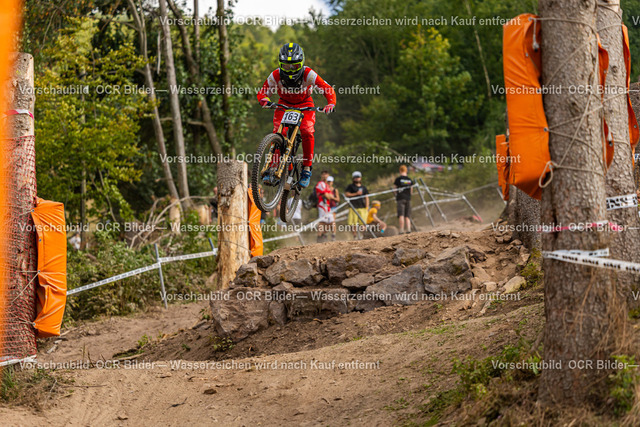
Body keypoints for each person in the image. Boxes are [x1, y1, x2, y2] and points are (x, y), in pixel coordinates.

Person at [257, 43, 336, 188]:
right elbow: (263, 92)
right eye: (286, 66)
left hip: (305, 104)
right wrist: (265, 100)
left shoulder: (309, 74)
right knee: (279, 133)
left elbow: (327, 89)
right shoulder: (275, 75)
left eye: (294, 66)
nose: (290, 70)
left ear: (301, 63)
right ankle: (273, 165)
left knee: (307, 131)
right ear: (280, 64)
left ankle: (307, 168)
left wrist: (330, 103)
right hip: (284, 104)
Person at [345, 171, 369, 239]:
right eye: (355, 177)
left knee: (363, 223)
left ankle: (363, 236)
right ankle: (355, 236)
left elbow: (366, 197)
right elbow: (346, 194)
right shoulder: (350, 186)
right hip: (353, 207)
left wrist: (367, 207)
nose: (357, 178)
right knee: (353, 223)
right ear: (353, 178)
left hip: (362, 207)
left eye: (358, 177)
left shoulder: (364, 187)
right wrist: (356, 194)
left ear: (360, 178)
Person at [315, 171, 337, 242]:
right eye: (323, 174)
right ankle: (319, 237)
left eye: (326, 175)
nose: (325, 176)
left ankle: (331, 236)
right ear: (321, 176)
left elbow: (330, 196)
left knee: (332, 221)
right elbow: (327, 195)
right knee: (322, 222)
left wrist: (329, 196)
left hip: (327, 205)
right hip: (322, 204)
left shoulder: (326, 185)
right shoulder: (320, 184)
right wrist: (329, 196)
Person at [394, 165, 414, 234]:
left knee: (401, 215)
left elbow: (395, 190)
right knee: (407, 215)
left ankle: (401, 230)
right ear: (406, 170)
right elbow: (411, 191)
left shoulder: (398, 179)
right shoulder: (409, 179)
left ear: (400, 170)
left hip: (400, 198)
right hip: (408, 199)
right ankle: (408, 229)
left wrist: (396, 194)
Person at [327, 175, 339, 241]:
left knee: (332, 221)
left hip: (333, 207)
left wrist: (332, 197)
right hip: (326, 207)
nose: (329, 183)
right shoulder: (325, 189)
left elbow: (338, 199)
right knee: (326, 222)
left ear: (332, 182)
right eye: (328, 182)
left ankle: (333, 235)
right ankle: (325, 235)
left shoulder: (335, 190)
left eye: (330, 182)